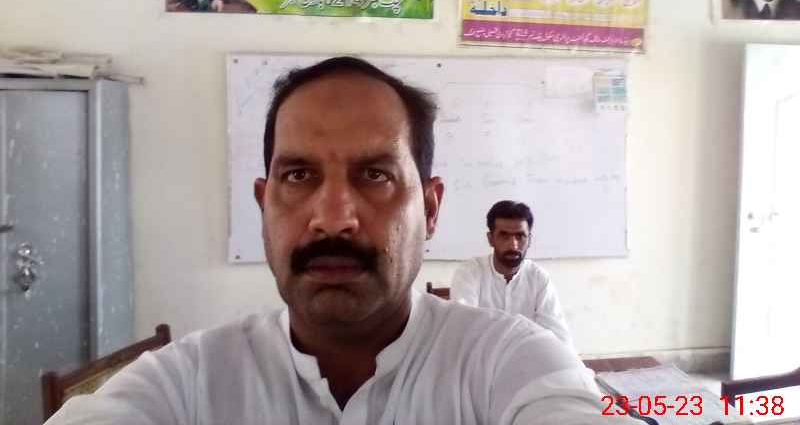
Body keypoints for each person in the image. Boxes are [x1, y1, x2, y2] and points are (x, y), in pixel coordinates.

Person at [46, 57, 635, 424]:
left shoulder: (507, 363)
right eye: (298, 175)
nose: (332, 219)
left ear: (430, 209)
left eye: (375, 175)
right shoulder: (191, 382)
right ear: (264, 204)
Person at [451, 200, 572, 346]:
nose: (513, 245)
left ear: (529, 240)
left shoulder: (538, 278)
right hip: (482, 356)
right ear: (490, 239)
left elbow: (559, 337)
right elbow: (465, 329)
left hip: (527, 356)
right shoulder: (469, 272)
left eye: (520, 236)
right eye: (504, 235)